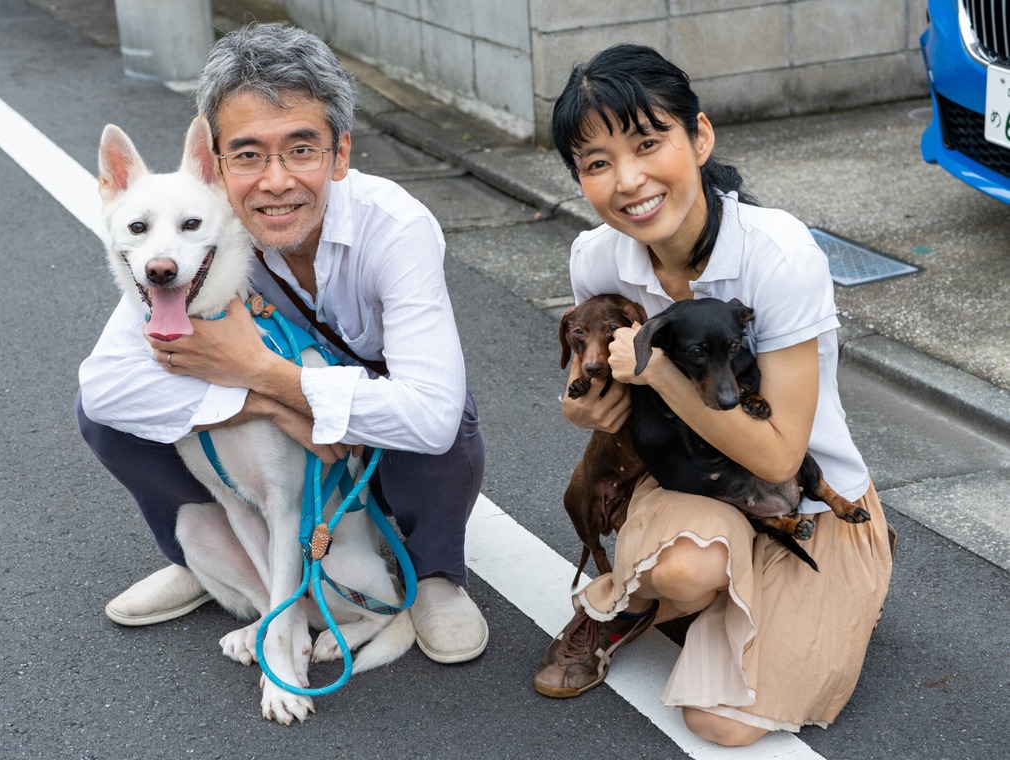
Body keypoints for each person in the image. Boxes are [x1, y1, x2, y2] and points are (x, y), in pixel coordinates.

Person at [76, 22, 488, 665]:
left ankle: (435, 575)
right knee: (108, 417)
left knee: (442, 415)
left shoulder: (396, 227)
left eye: (300, 150)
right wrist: (268, 404)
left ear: (340, 153)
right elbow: (104, 387)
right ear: (215, 165)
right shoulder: (201, 233)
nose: (274, 181)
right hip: (285, 441)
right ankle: (216, 561)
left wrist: (262, 373)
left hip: (378, 437)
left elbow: (431, 413)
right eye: (247, 155)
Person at [531, 43, 894, 745]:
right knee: (686, 570)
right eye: (598, 163)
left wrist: (658, 369)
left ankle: (837, 580)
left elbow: (782, 452)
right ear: (580, 178)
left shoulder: (778, 257)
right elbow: (591, 379)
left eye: (648, 142)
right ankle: (637, 601)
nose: (629, 180)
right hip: (684, 479)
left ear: (699, 137)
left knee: (719, 722)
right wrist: (579, 407)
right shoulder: (597, 257)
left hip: (809, 496)